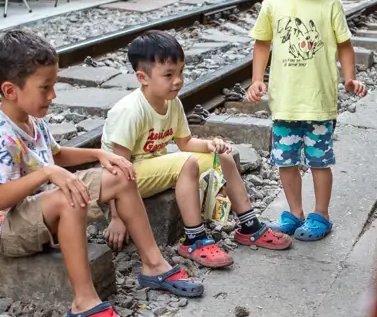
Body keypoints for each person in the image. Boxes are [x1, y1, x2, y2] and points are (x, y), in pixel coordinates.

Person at [0, 30, 203, 317]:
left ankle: (153, 265)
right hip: (6, 227)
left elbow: (56, 156)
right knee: (70, 198)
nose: (52, 95)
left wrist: (98, 154)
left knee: (123, 173)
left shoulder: (31, 117)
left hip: (41, 206)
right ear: (11, 90)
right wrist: (47, 175)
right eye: (45, 88)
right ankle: (84, 302)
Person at [101, 31, 292, 265]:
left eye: (181, 71)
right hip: (128, 178)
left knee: (223, 156)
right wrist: (117, 217)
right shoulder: (130, 111)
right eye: (168, 75)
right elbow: (116, 169)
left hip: (152, 169)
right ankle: (195, 239)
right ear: (143, 77)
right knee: (186, 162)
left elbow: (185, 143)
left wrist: (211, 145)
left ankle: (249, 225)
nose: (178, 80)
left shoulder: (172, 102)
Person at [246, 0, 368, 241]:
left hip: (319, 101)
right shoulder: (273, 4)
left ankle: (321, 214)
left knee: (319, 160)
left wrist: (350, 78)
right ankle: (295, 211)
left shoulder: (331, 4)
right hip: (284, 101)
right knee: (285, 160)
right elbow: (262, 43)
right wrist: (257, 80)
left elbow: (344, 45)